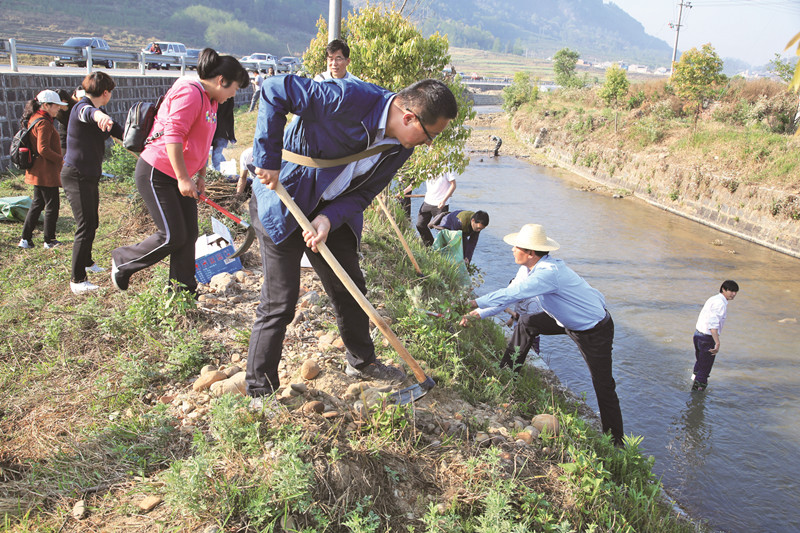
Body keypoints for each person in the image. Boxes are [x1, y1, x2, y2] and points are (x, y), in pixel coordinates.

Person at [246, 76, 458, 403]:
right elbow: (275, 90)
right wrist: (268, 158)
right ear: (409, 118)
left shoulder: (401, 147)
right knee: (280, 301)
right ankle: (260, 391)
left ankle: (361, 362)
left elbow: (364, 194)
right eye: (430, 136)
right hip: (284, 198)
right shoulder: (349, 98)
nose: (428, 144)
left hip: (330, 211)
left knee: (351, 288)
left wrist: (328, 219)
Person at [460, 223, 624, 446]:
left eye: (516, 246)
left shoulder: (548, 273)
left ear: (529, 252)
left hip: (593, 329)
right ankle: (507, 377)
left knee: (603, 385)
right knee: (527, 322)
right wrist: (476, 314)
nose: (511, 250)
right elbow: (509, 298)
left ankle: (616, 443)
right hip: (564, 319)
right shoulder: (527, 269)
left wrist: (473, 301)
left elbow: (512, 292)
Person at [111, 48, 249, 295]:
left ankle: (183, 293)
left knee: (189, 235)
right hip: (158, 172)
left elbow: (204, 142)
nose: (234, 94)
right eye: (234, 88)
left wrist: (201, 176)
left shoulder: (211, 101)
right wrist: (184, 177)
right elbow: (173, 136)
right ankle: (123, 260)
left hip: (180, 175)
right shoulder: (190, 92)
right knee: (172, 235)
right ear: (221, 80)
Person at [61, 72, 124, 295]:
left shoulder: (100, 111)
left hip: (88, 175)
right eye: (110, 93)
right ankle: (77, 280)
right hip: (76, 174)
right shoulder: (83, 108)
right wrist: (100, 117)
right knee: (85, 226)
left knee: (93, 221)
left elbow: (120, 132)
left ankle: (87, 261)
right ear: (105, 93)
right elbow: (90, 114)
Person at [18, 90, 68, 252]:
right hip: (45, 173)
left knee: (37, 204)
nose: (58, 109)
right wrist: (61, 159)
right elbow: (43, 149)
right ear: (46, 105)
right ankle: (49, 240)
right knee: (52, 205)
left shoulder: (35, 118)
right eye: (56, 106)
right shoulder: (44, 123)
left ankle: (25, 239)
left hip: (37, 170)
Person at [692, 280, 739, 392]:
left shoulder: (713, 299)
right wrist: (717, 342)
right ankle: (696, 396)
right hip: (707, 338)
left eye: (735, 292)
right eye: (731, 291)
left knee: (700, 363)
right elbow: (713, 325)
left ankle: (693, 382)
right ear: (723, 289)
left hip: (697, 335)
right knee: (705, 368)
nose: (733, 294)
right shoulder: (720, 304)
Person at [415, 171, 457, 246]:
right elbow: (417, 181)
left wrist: (444, 200)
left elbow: (453, 185)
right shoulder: (427, 165)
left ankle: (443, 252)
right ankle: (430, 246)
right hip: (427, 202)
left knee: (441, 231)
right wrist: (403, 192)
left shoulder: (447, 166)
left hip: (440, 204)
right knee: (420, 225)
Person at [210, 97, 236, 173]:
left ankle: (218, 174)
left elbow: (229, 115)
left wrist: (231, 135)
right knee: (203, 159)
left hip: (220, 131)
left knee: (217, 157)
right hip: (208, 129)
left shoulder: (229, 97)